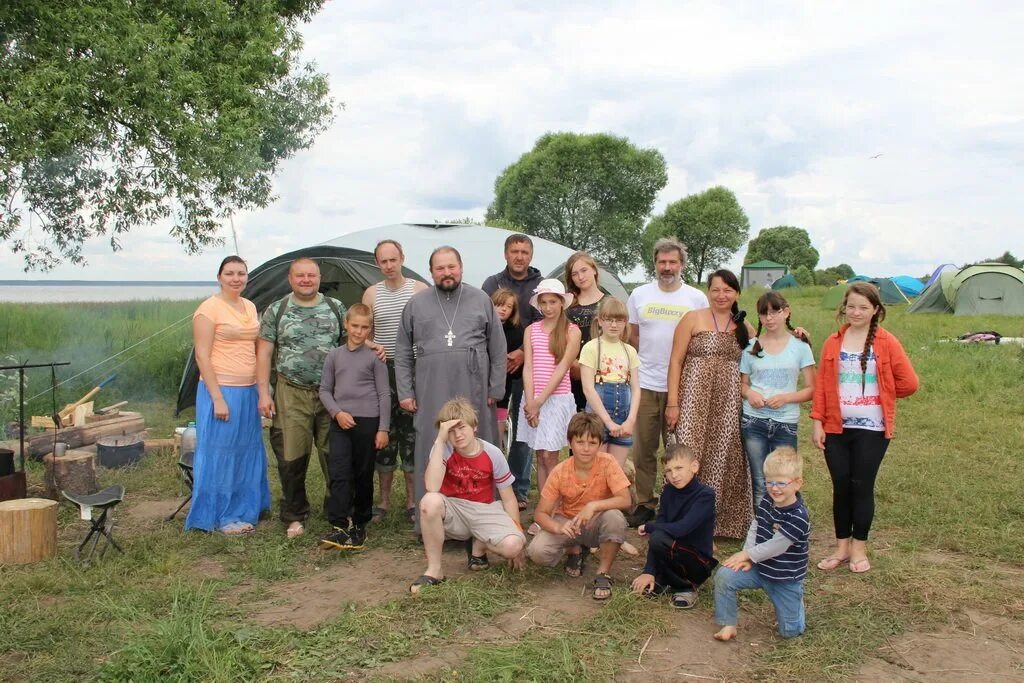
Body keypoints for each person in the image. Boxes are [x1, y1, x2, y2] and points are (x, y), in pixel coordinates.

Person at [395, 246, 507, 530]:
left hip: (474, 387)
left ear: (461, 267)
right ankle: (431, 521)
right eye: (440, 268)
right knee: (433, 445)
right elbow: (403, 351)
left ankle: (481, 520)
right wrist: (406, 392)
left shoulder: (481, 299)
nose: (447, 273)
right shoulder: (416, 304)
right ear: (431, 272)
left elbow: (498, 347)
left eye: (451, 267)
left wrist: (496, 388)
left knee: (476, 445)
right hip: (431, 388)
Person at [812, 282, 918, 574]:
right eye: (851, 306)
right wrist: (818, 422)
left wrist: (880, 393)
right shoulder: (833, 342)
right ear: (843, 307)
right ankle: (841, 547)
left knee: (861, 486)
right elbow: (821, 385)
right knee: (840, 487)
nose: (856, 312)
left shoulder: (886, 342)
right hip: (836, 427)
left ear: (875, 311)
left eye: (863, 307)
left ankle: (859, 547)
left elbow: (909, 383)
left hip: (872, 429)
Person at [256, 257, 346, 539]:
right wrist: (263, 393)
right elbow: (264, 353)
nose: (306, 280)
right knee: (291, 456)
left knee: (336, 456)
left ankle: (338, 511)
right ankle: (294, 515)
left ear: (319, 278)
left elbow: (351, 347)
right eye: (300, 276)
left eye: (312, 275)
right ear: (290, 278)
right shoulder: (277, 310)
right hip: (290, 392)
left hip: (331, 394)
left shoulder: (336, 307)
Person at [666, 269, 757, 539]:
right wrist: (673, 403)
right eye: (716, 289)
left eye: (727, 290)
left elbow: (763, 354)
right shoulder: (692, 318)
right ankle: (681, 518)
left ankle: (718, 523)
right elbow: (675, 361)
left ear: (737, 293)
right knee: (688, 452)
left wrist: (797, 335)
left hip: (727, 400)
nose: (721, 295)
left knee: (723, 455)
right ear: (708, 291)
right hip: (693, 396)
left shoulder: (744, 327)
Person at [626, 238, 709, 527]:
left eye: (673, 262)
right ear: (655, 263)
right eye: (662, 262)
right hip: (646, 384)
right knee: (644, 449)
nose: (667, 267)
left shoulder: (696, 298)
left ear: (682, 265)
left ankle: (679, 502)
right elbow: (633, 336)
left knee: (680, 449)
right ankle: (645, 503)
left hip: (684, 387)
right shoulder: (639, 295)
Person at [187, 255, 271, 535]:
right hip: (221, 390)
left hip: (247, 390)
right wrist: (217, 397)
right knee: (221, 453)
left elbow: (258, 350)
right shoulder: (208, 310)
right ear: (219, 277)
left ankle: (246, 506)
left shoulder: (249, 305)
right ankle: (221, 515)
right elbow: (201, 355)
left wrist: (262, 391)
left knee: (245, 451)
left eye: (241, 273)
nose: (236, 278)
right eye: (230, 273)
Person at [410, 398, 526, 593]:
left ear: (474, 427)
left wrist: (518, 530)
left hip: (484, 510)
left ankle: (479, 546)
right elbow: (432, 486)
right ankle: (434, 570)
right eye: (451, 431)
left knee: (514, 545)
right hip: (454, 509)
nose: (457, 435)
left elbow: (508, 498)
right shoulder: (443, 449)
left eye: (461, 428)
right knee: (429, 501)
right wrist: (439, 440)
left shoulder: (493, 453)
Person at [527, 412, 631, 600]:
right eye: (580, 442)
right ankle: (574, 549)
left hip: (597, 521)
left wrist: (593, 506)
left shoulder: (608, 463)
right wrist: (558, 527)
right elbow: (540, 513)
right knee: (537, 552)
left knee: (615, 517)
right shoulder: (560, 471)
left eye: (592, 443)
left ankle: (602, 573)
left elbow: (625, 499)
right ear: (570, 442)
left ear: (600, 445)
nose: (586, 449)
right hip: (568, 521)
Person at [362, 239, 428, 522]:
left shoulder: (419, 290)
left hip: (414, 370)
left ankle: (413, 502)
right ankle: (384, 502)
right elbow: (363, 333)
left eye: (393, 259)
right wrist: (370, 345)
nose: (389, 266)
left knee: (412, 435)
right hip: (382, 370)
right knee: (384, 436)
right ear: (377, 263)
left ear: (402, 258)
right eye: (383, 261)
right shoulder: (371, 294)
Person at [713, 447, 810, 641]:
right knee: (724, 576)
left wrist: (748, 555)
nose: (775, 488)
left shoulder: (799, 516)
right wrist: (748, 555)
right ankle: (728, 624)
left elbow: (778, 546)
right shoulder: (767, 500)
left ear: (797, 483)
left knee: (790, 633)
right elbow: (756, 526)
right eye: (769, 482)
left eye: (782, 483)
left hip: (785, 579)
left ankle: (795, 606)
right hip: (760, 568)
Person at [317, 304, 391, 550]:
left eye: (364, 327)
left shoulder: (375, 358)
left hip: (368, 423)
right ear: (346, 325)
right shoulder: (334, 355)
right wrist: (337, 413)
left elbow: (384, 394)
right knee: (339, 472)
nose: (359, 332)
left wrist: (383, 428)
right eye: (355, 326)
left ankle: (360, 524)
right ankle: (339, 524)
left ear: (370, 330)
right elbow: (325, 390)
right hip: (341, 422)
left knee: (362, 474)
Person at [482, 234, 543, 509]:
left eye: (524, 252)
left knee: (523, 431)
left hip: (529, 367)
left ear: (531, 255)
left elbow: (545, 326)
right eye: (514, 251)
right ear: (505, 254)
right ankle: (492, 484)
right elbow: (481, 321)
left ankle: (519, 488)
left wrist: (522, 353)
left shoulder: (540, 286)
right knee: (493, 428)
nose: (519, 256)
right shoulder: (493, 283)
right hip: (497, 369)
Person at [740, 292, 816, 509]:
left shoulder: (800, 346)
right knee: (760, 480)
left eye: (775, 312)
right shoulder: (751, 347)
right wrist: (750, 394)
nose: (769, 319)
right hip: (754, 422)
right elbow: (742, 384)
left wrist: (786, 398)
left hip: (785, 423)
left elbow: (812, 389)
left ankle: (787, 525)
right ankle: (763, 529)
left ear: (786, 312)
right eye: (764, 314)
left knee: (785, 479)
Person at [631, 444, 718, 609]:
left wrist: (650, 526)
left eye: (679, 468)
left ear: (694, 467)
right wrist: (648, 571)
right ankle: (660, 581)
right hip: (675, 552)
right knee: (659, 537)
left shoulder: (706, 495)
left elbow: (682, 528)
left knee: (658, 536)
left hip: (699, 562)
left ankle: (687, 588)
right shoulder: (668, 492)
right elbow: (661, 529)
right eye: (669, 471)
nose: (674, 475)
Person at [518, 278, 582, 498]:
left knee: (550, 456)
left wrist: (539, 402)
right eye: (543, 302)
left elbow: (562, 368)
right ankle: (543, 509)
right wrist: (529, 401)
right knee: (539, 455)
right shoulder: (531, 330)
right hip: (532, 399)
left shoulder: (571, 331)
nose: (548, 307)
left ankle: (553, 506)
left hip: (555, 399)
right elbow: (528, 367)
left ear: (561, 303)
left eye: (552, 302)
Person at [579, 296, 640, 467]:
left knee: (615, 470)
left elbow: (635, 388)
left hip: (623, 417)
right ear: (600, 321)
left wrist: (631, 420)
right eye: (609, 319)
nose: (614, 325)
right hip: (598, 417)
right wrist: (608, 422)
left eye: (619, 320)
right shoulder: (591, 348)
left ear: (625, 322)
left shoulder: (630, 351)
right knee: (596, 469)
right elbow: (588, 389)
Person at [564, 252, 606, 411]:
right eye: (575, 274)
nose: (580, 277)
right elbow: (559, 336)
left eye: (584, 270)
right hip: (571, 373)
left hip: (601, 373)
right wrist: (571, 363)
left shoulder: (609, 301)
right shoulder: (567, 304)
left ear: (594, 270)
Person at [491, 289, 524, 468]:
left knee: (497, 437)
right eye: (499, 305)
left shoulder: (517, 331)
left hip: (503, 391)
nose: (503, 309)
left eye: (508, 306)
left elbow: (516, 367)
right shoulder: (482, 326)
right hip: (480, 390)